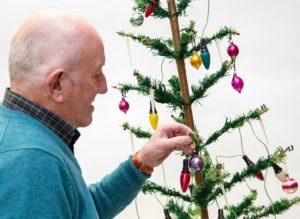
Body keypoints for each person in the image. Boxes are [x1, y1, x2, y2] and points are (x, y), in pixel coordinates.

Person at [0, 8, 194, 219]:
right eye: (96, 74)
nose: (103, 87)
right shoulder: (33, 161)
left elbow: (80, 208)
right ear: (57, 85)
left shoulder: (23, 134)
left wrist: (142, 162)